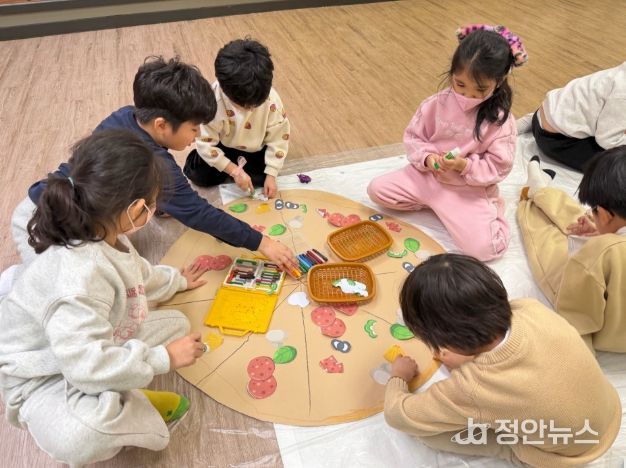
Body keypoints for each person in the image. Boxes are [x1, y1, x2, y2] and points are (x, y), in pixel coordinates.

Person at [0, 130, 209, 465]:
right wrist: (164, 359)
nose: (155, 209)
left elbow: (138, 276)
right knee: (83, 437)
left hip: (80, 344)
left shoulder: (103, 231)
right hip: (41, 377)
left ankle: (119, 387)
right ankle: (130, 406)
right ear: (136, 208)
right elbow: (85, 367)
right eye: (153, 203)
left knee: (178, 324)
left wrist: (178, 280)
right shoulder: (78, 277)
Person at [11, 56, 297, 272]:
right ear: (161, 125)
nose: (197, 136)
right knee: (84, 287)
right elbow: (199, 213)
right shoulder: (154, 163)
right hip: (43, 223)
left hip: (50, 200)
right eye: (194, 128)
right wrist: (263, 243)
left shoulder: (126, 115)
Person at [384, 253, 621, 466]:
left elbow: (398, 416)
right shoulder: (531, 308)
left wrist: (399, 377)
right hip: (608, 415)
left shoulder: (471, 387)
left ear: (445, 341)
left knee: (429, 435)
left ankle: (516, 454)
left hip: (568, 454)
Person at [368, 25, 527, 261]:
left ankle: (481, 209)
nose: (467, 95)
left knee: (486, 249)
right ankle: (435, 204)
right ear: (452, 72)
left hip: (466, 189)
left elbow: (499, 166)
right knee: (377, 190)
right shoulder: (436, 103)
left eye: (480, 89)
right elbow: (414, 137)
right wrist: (428, 159)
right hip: (428, 178)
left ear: (499, 81)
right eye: (460, 84)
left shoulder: (500, 121)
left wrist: (464, 166)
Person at [517, 148, 626, 352]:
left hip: (609, 333)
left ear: (604, 215)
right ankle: (540, 190)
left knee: (545, 237)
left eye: (596, 210)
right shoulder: (607, 241)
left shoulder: (598, 255)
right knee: (582, 221)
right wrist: (600, 230)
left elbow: (577, 323)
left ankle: (532, 195)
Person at [183, 39, 290, 199]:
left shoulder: (271, 100)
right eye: (244, 106)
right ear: (224, 89)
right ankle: (201, 159)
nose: (251, 110)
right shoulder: (212, 101)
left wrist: (271, 174)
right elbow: (205, 142)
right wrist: (233, 170)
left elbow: (279, 137)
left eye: (256, 104)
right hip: (223, 145)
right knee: (199, 175)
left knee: (262, 178)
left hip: (255, 148)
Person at [517, 61, 626, 171]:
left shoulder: (618, 74)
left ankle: (534, 121)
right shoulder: (622, 93)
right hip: (556, 141)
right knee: (617, 164)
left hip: (543, 115)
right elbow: (607, 140)